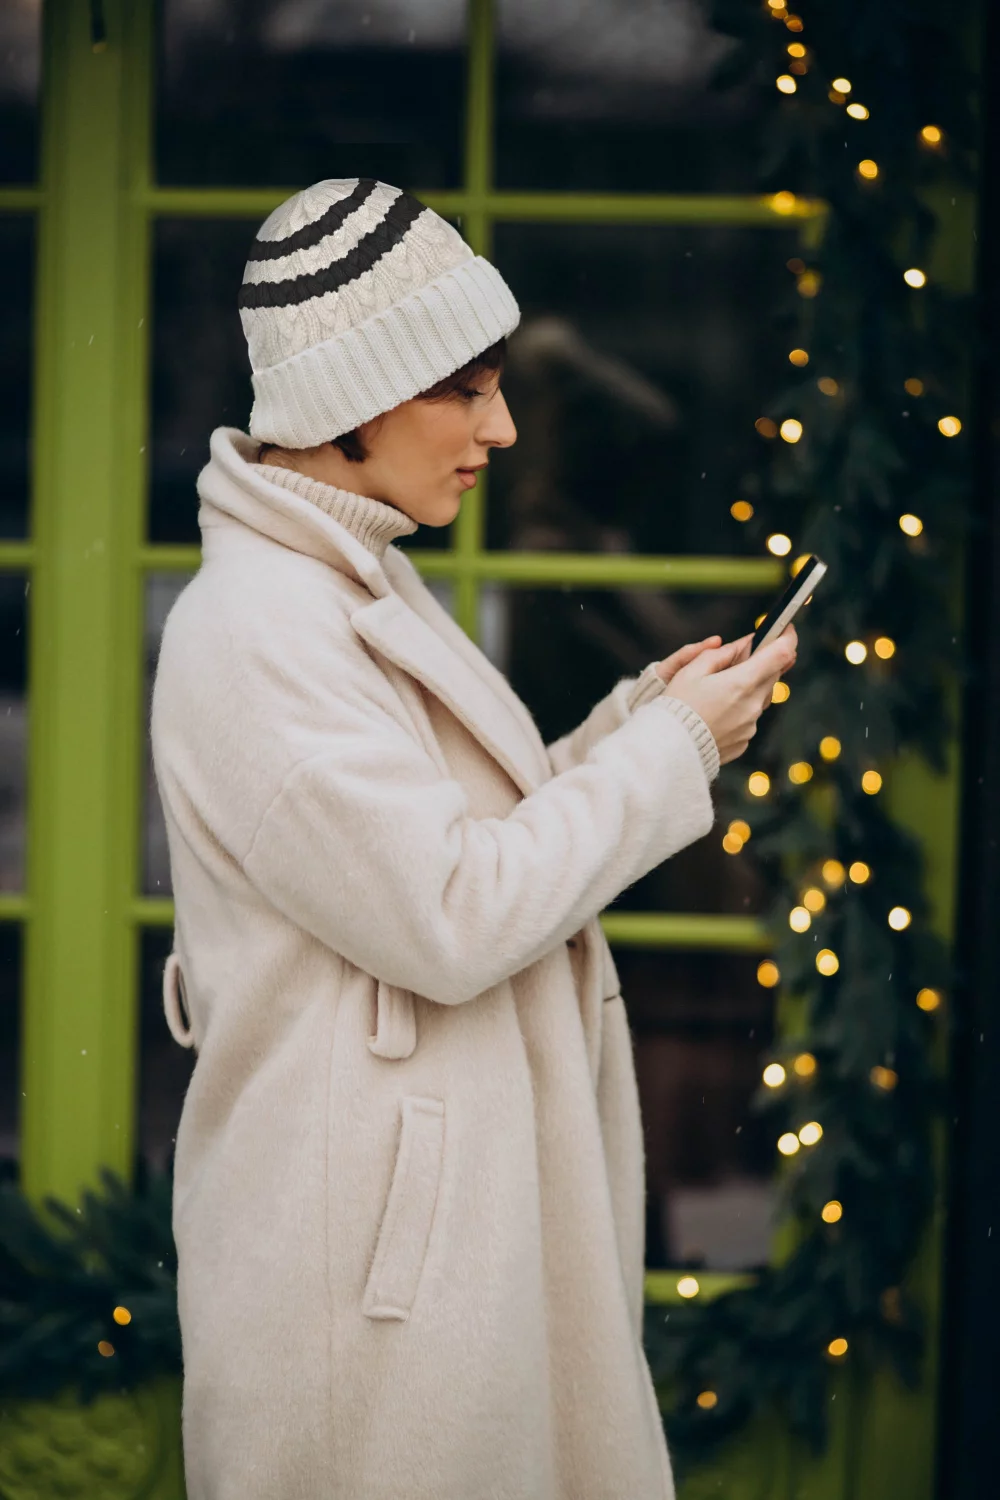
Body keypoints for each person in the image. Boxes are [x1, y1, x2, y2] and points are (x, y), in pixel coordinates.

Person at [150, 177, 797, 1500]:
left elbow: (446, 847)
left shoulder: (351, 579)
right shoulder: (263, 629)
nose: (502, 429)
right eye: (468, 390)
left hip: (421, 1253)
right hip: (368, 1293)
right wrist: (666, 754)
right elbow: (451, 914)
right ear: (360, 398)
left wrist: (641, 716)